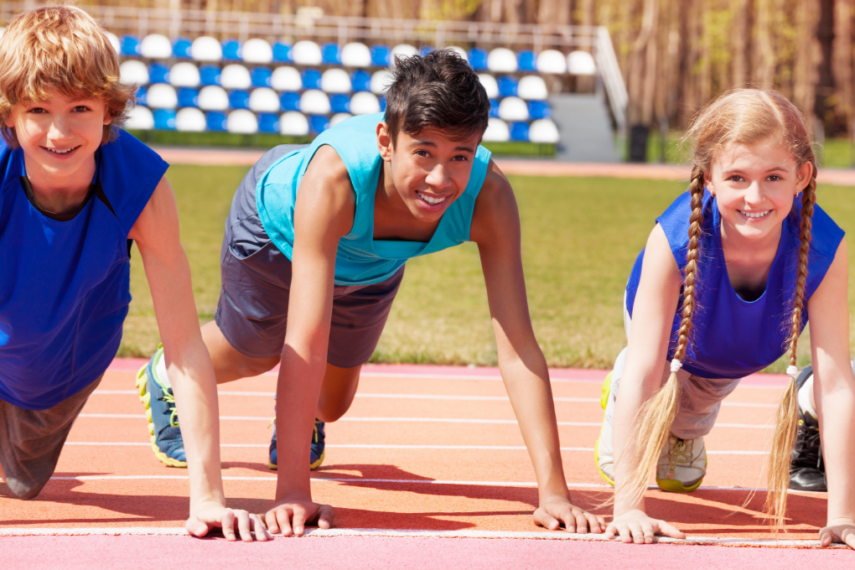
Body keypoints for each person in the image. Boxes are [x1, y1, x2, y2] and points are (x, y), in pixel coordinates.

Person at [141, 49, 604, 537]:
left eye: (459, 157)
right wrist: (293, 492)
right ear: (386, 140)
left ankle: (300, 422)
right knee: (255, 353)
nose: (440, 179)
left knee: (333, 403)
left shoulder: (488, 198)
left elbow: (518, 346)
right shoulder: (333, 181)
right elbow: (307, 338)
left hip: (371, 264)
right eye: (423, 152)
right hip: (276, 232)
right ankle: (166, 373)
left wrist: (555, 494)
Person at [0, 6, 267, 541]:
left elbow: (186, 349)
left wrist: (208, 497)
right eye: (37, 109)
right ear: (9, 116)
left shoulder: (138, 188)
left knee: (17, 485)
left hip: (56, 364)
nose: (59, 131)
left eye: (79, 107)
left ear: (108, 109)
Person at [594, 89, 855, 547]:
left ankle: (685, 422)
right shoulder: (673, 239)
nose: (756, 197)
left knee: (696, 408)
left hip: (748, 347)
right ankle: (651, 411)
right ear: (709, 178)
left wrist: (844, 515)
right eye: (736, 177)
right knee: (656, 389)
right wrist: (629, 505)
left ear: (802, 176)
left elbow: (834, 384)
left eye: (774, 176)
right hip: (675, 345)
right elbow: (645, 370)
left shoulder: (825, 249)